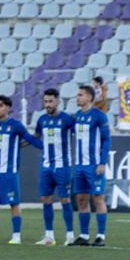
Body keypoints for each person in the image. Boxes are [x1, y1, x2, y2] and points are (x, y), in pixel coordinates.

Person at [0, 95, 39, 245]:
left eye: (0, 105)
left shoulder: (16, 125)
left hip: (9, 172)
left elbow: (29, 139)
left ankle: (16, 236)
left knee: (14, 204)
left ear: (7, 108)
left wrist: (42, 146)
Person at [33, 88, 77, 247]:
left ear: (58, 101)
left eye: (51, 101)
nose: (48, 104)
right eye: (45, 101)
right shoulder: (42, 120)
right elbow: (36, 138)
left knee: (65, 199)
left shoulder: (67, 120)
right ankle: (49, 236)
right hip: (45, 166)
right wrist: (18, 143)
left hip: (62, 166)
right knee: (46, 199)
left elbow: (80, 134)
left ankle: (70, 235)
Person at [70, 84, 111, 247]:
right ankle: (84, 235)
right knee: (81, 199)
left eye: (80, 95)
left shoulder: (99, 116)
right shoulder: (77, 116)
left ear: (89, 97)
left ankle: (100, 236)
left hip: (93, 165)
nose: (77, 98)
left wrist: (102, 162)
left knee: (98, 198)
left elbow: (107, 139)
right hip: (79, 165)